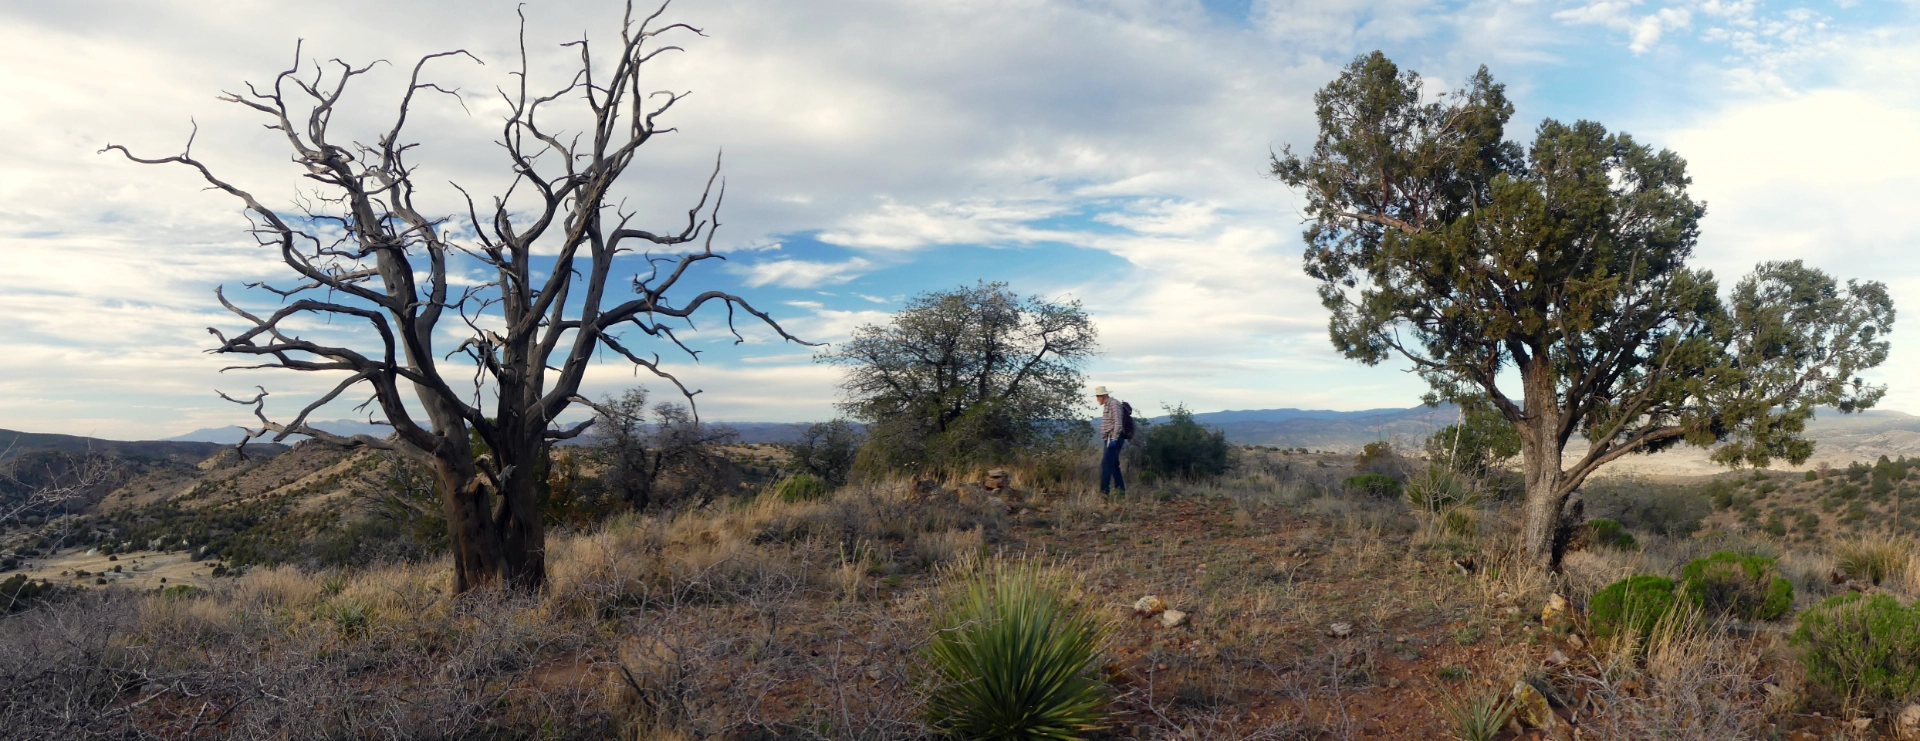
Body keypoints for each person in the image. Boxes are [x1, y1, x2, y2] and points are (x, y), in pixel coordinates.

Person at [1095, 386, 1126, 495]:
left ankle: (1104, 492)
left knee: (1106, 464)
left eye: (1098, 396)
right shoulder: (1108, 405)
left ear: (1103, 396)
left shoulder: (1113, 404)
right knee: (1113, 465)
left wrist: (1114, 438)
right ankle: (1120, 491)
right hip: (1109, 438)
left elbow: (1118, 423)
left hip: (1112, 439)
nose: (1097, 399)